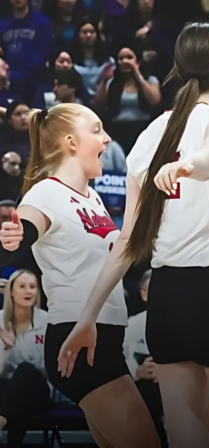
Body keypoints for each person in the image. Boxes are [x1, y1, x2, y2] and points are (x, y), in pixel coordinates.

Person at [59, 22, 209, 448]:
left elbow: (127, 243)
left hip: (167, 303)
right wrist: (189, 165)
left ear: (179, 70)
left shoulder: (147, 136)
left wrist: (87, 316)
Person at [0, 103, 159, 447]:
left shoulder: (94, 197)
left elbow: (123, 250)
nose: (107, 137)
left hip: (106, 338)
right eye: (97, 130)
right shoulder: (44, 191)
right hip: (81, 341)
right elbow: (26, 227)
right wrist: (13, 237)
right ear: (71, 142)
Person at [0, 269, 49, 447]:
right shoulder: (0, 321)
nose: (29, 291)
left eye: (33, 287)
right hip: (8, 391)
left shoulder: (48, 322)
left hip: (40, 390)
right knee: (14, 392)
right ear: (10, 291)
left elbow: (48, 369)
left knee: (26, 370)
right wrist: (7, 349)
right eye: (22, 286)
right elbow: (1, 372)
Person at [124, 270, 167, 447]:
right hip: (146, 386)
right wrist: (138, 371)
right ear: (144, 295)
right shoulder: (132, 324)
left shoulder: (184, 322)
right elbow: (122, 357)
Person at [0, 0, 53, 100]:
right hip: (8, 84)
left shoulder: (42, 22)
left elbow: (42, 54)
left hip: (35, 83)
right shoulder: (2, 25)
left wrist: (15, 75)